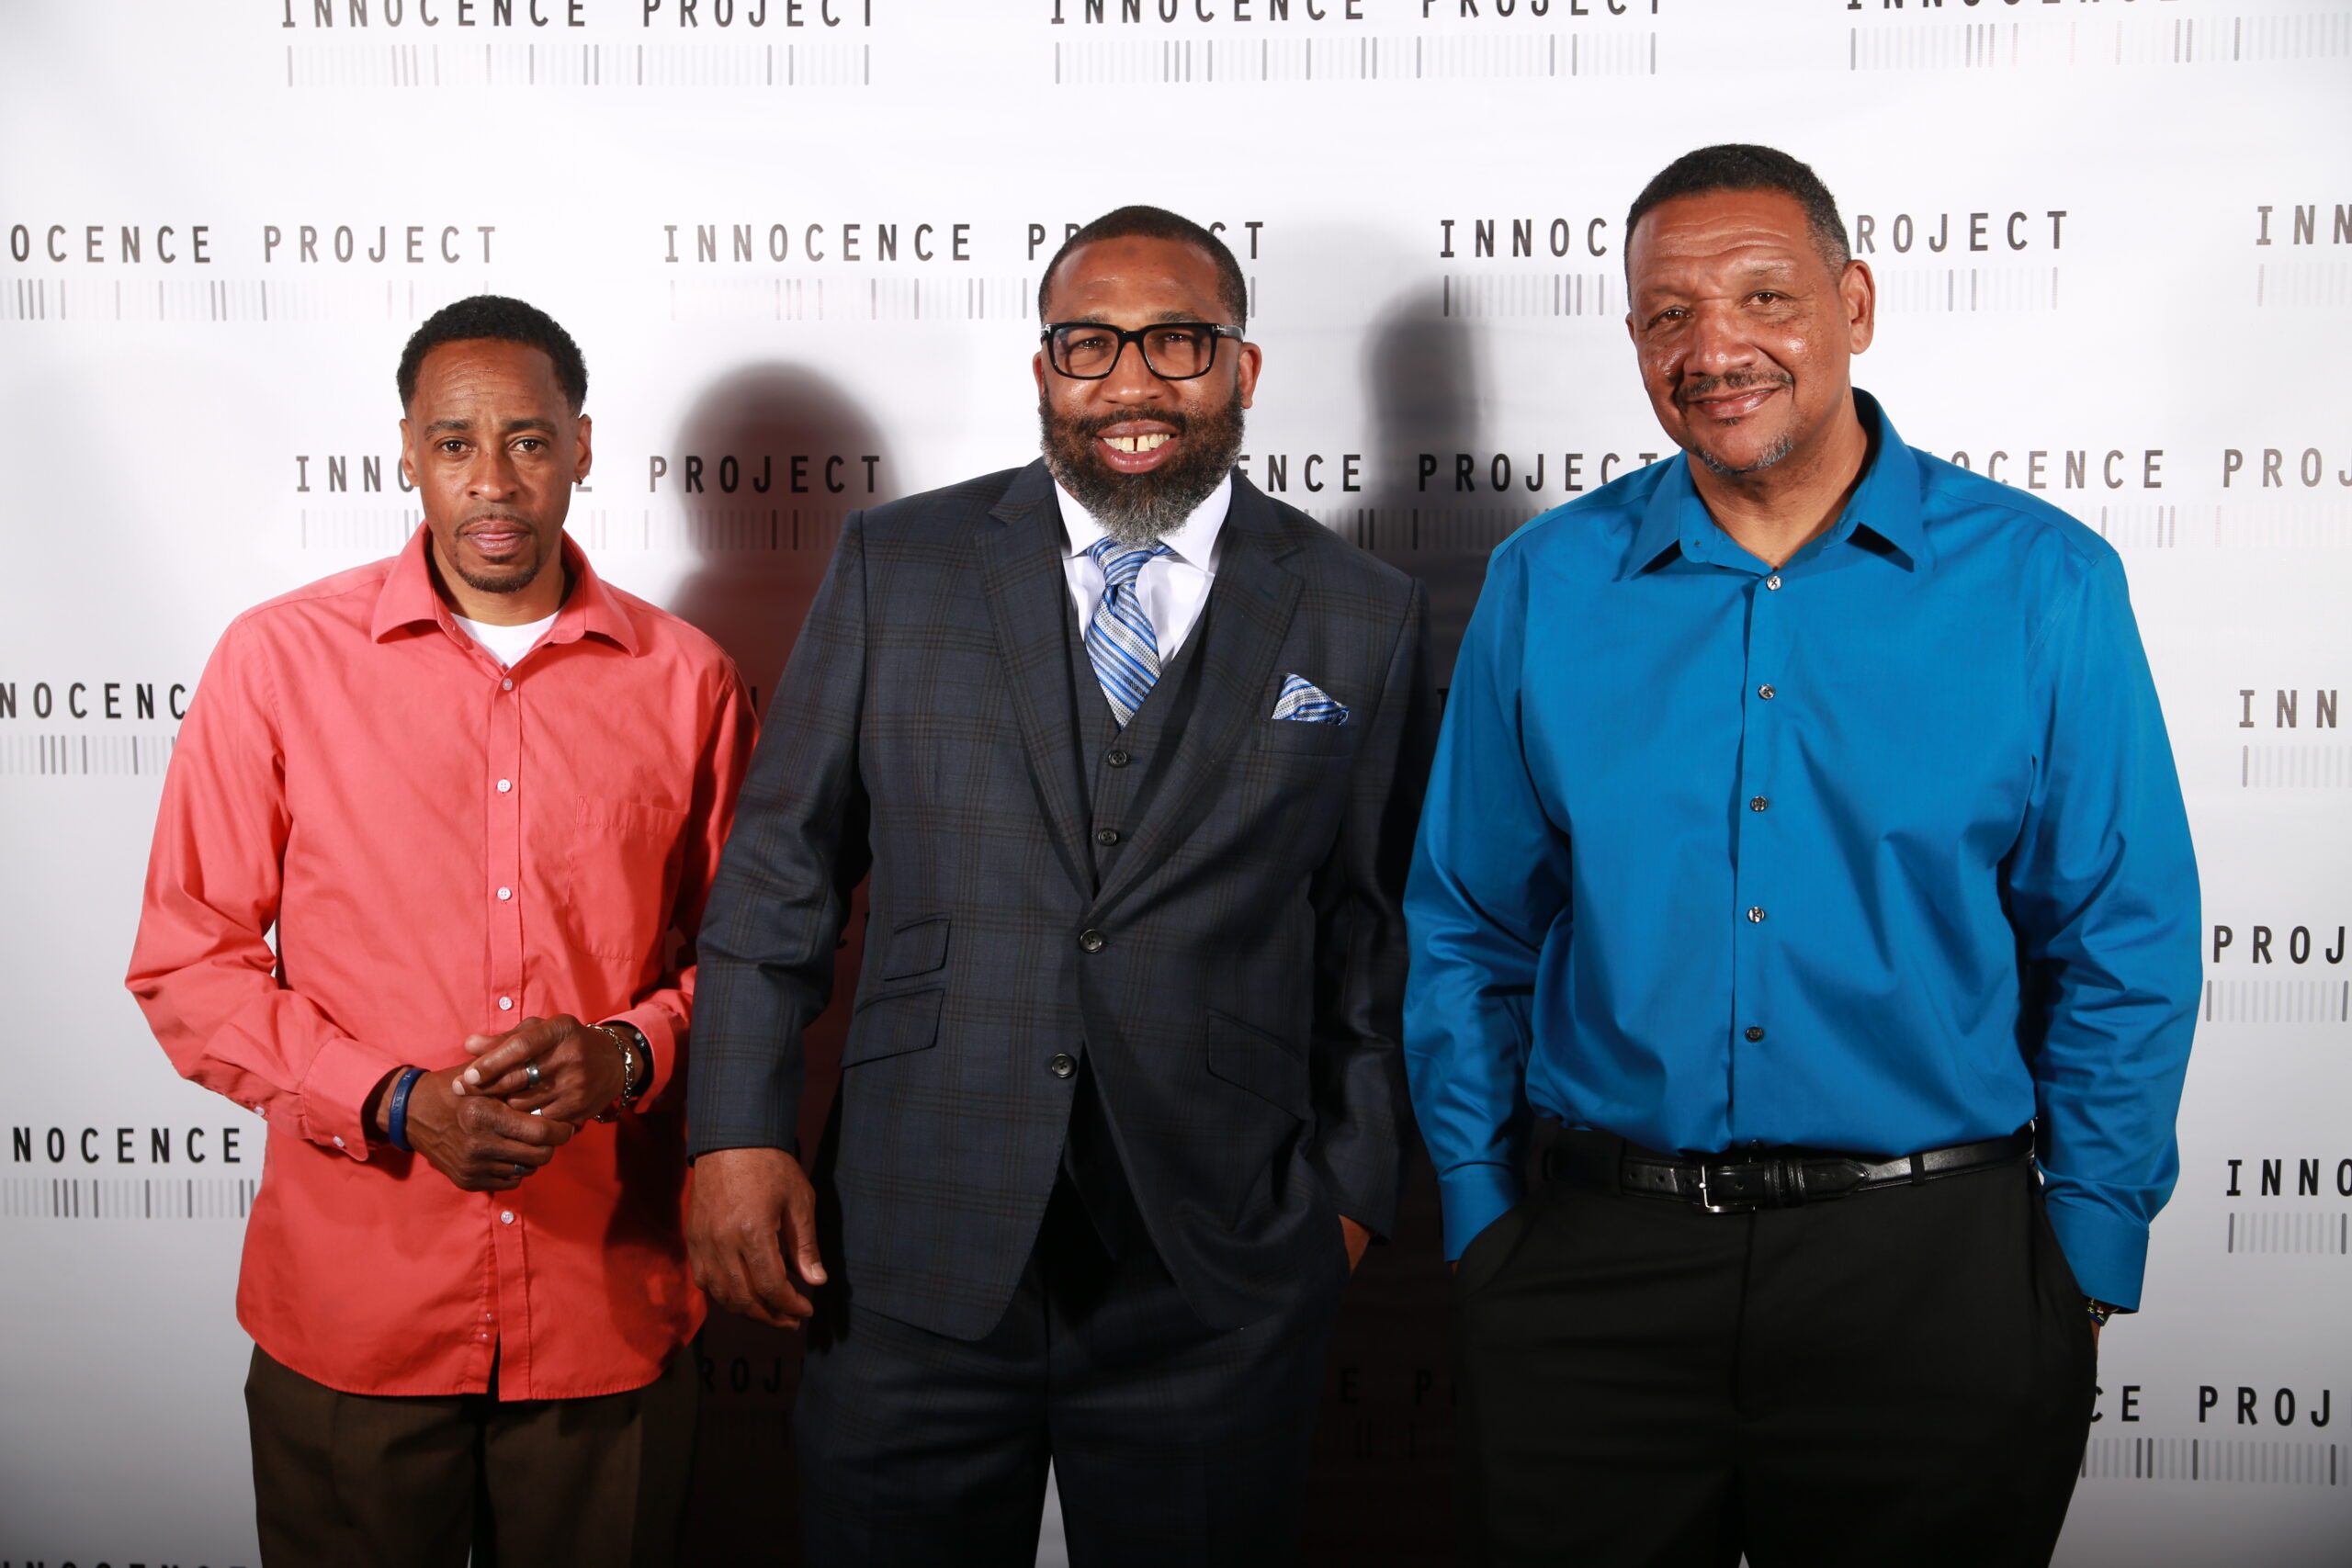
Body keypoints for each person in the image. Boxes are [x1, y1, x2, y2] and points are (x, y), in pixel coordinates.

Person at [1405, 145, 2199, 1567]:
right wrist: (1482, 1218)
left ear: (1856, 304)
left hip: (1936, 1281)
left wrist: (2079, 1256)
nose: (1715, 349)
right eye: (1669, 315)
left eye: (1764, 297)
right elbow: (1470, 922)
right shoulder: (1546, 582)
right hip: (1591, 1276)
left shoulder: (2045, 583)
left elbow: (2121, 939)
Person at [685, 205, 1434, 1566]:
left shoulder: (1360, 609)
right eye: (1090, 344)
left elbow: (1374, 932)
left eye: (1177, 343)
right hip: (914, 1231)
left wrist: (1348, 1192)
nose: (1131, 382)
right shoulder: (899, 564)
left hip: (1218, 1252)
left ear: (1244, 368)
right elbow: (780, 872)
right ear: (1044, 369)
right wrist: (735, 1132)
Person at [126, 296, 756, 1568]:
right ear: (407, 454)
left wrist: (626, 1057)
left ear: (583, 448)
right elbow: (190, 961)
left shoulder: (687, 678)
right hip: (355, 1317)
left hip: (605, 1305)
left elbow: (752, 963)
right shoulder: (276, 662)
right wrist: (395, 1101)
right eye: (456, 443)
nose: (494, 482)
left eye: (528, 440)